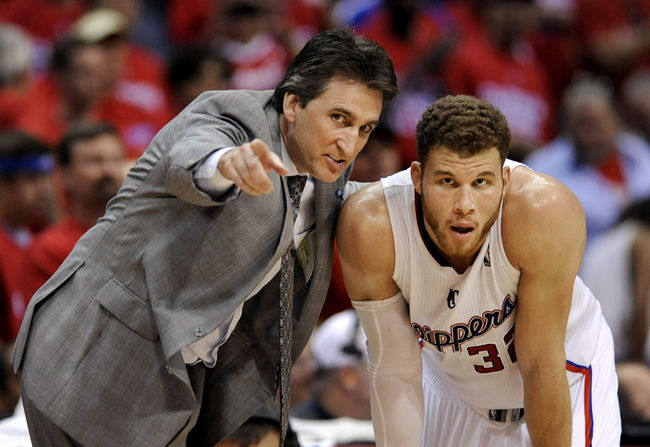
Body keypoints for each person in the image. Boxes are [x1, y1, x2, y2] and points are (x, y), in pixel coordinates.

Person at [13, 28, 397, 447]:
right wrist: (225, 165)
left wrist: (412, 194)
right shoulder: (232, 116)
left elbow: (346, 201)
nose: (349, 144)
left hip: (177, 384)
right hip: (92, 360)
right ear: (292, 104)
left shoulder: (324, 162)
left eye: (365, 128)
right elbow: (192, 157)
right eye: (339, 118)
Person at [336, 94, 621, 446]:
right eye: (447, 182)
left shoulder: (541, 212)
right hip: (454, 390)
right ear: (418, 177)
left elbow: (540, 366)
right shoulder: (372, 225)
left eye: (481, 183)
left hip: (566, 377)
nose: (464, 205)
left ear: (505, 179)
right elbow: (394, 370)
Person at [526, 75, 650, 246]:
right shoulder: (543, 168)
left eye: (593, 122)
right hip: (583, 255)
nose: (587, 133)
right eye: (580, 123)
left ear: (616, 120)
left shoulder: (638, 151)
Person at [19, 122, 126, 304]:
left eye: (116, 160)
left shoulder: (140, 232)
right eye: (95, 161)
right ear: (64, 175)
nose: (108, 170)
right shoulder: (49, 249)